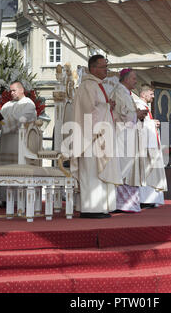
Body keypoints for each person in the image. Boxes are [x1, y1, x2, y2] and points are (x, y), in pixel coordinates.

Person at [70, 54, 122, 218]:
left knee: (99, 171)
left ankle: (101, 207)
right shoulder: (87, 86)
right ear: (92, 68)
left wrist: (107, 106)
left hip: (100, 136)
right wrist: (106, 107)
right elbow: (87, 111)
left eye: (107, 66)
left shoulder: (97, 85)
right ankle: (90, 208)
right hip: (90, 137)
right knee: (91, 172)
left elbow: (98, 108)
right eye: (103, 66)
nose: (106, 70)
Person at [111, 69, 146, 212]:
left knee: (129, 168)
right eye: (133, 78)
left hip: (129, 135)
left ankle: (129, 204)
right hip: (121, 135)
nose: (135, 81)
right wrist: (136, 114)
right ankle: (120, 204)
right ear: (125, 79)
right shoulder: (119, 92)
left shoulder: (126, 93)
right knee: (123, 169)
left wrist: (138, 115)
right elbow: (120, 114)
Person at [135, 83, 167, 208]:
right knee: (146, 171)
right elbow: (136, 124)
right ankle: (145, 199)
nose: (153, 96)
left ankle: (152, 198)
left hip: (151, 143)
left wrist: (152, 123)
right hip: (145, 146)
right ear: (143, 94)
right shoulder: (138, 105)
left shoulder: (145, 106)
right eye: (151, 93)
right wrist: (151, 123)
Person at [0, 81, 37, 166]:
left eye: (14, 90)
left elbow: (19, 119)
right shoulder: (6, 105)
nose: (12, 93)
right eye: (10, 91)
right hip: (4, 147)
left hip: (20, 147)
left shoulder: (29, 104)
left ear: (21, 90)